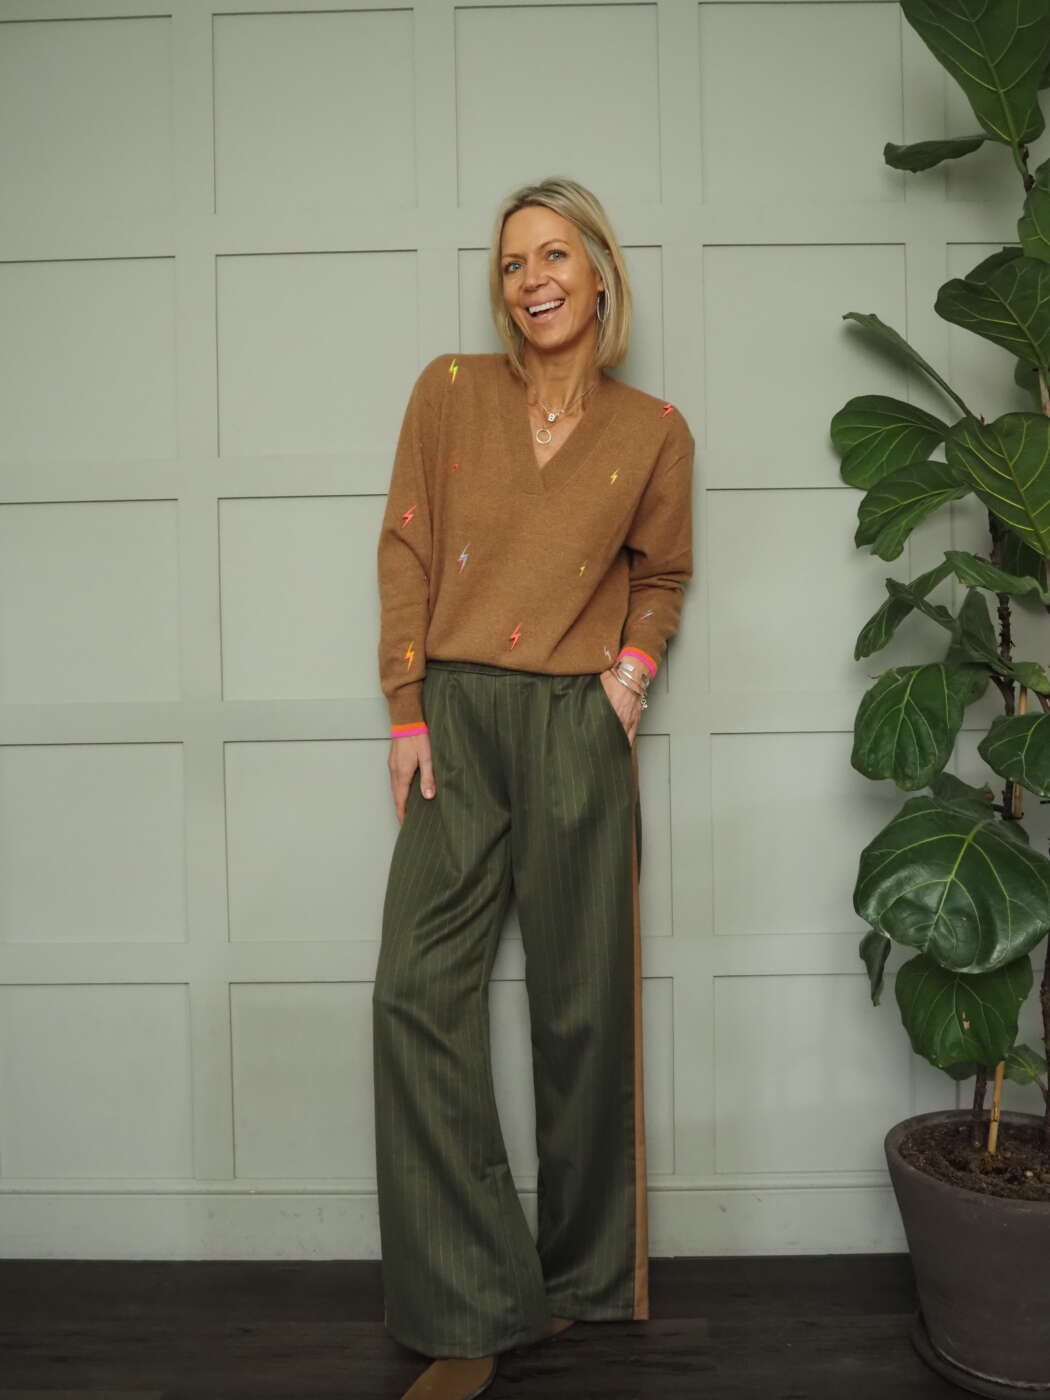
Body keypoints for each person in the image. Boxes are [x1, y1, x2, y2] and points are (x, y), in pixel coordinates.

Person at [371, 175, 695, 1400]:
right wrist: (407, 704)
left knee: (581, 1009)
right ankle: (472, 1300)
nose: (532, 279)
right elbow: (407, 547)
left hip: (575, 723)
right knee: (415, 992)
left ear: (599, 272)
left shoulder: (654, 429)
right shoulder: (449, 392)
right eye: (513, 262)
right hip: (456, 714)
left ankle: (579, 1279)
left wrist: (631, 678)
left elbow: (662, 574)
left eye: (554, 255)